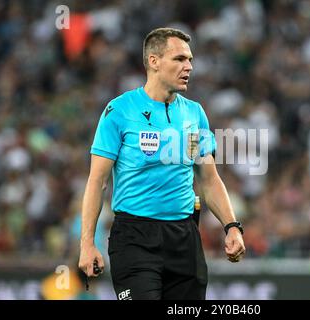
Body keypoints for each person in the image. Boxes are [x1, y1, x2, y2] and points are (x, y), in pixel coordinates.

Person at [78, 27, 246, 300]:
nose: (189, 66)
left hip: (184, 238)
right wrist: (87, 243)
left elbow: (208, 179)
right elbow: (98, 181)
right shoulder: (119, 111)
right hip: (134, 238)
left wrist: (232, 226)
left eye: (190, 60)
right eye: (179, 59)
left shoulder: (194, 113)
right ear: (154, 62)